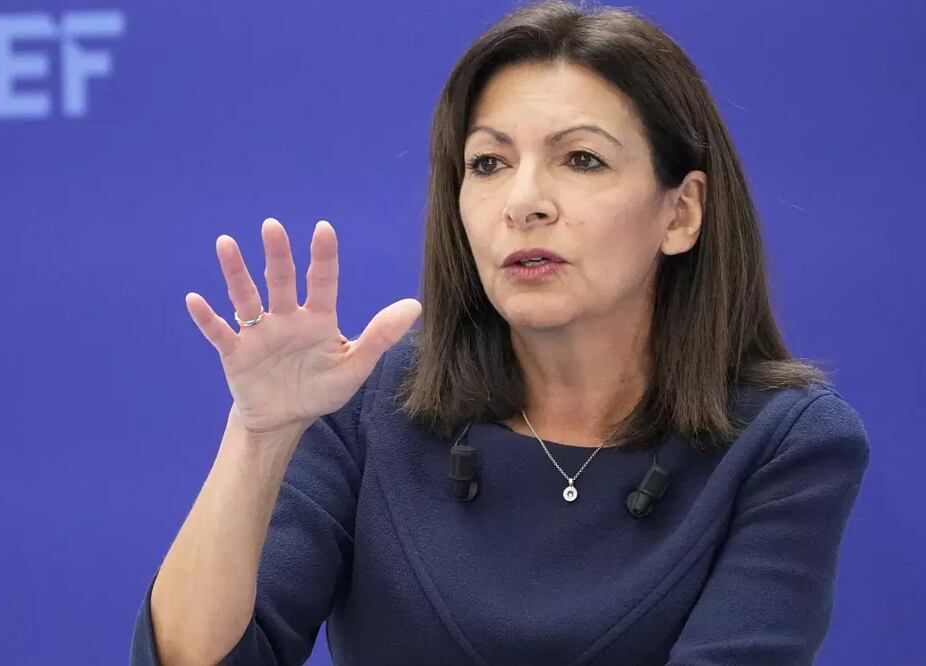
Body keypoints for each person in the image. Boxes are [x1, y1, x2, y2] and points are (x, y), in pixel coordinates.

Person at [130, 2, 870, 664]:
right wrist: (259, 435)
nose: (523, 202)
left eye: (581, 159)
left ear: (680, 213)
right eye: (488, 163)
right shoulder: (367, 406)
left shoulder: (785, 443)